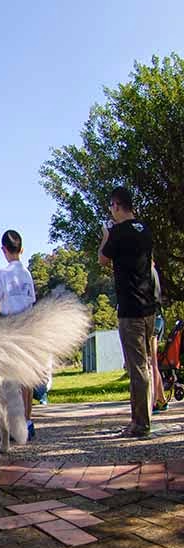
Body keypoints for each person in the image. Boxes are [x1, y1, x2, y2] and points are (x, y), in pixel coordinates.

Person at [99, 187, 157, 437]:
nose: (111, 211)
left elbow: (102, 258)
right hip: (148, 307)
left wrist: (105, 235)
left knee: (137, 368)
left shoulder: (117, 232)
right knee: (145, 363)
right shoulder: (145, 231)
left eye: (111, 206)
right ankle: (142, 417)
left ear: (117, 205)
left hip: (130, 308)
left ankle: (141, 424)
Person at [0, 230, 37, 439]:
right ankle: (27, 420)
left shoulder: (2, 274)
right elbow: (31, 299)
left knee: (8, 380)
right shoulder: (27, 274)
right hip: (28, 327)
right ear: (22, 249)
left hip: (9, 329)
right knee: (27, 378)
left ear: (3, 250)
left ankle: (10, 426)